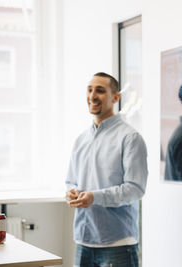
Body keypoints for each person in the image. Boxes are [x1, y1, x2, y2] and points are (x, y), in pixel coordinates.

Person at [65, 72, 148, 267]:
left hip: (117, 244)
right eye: (90, 90)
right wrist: (71, 192)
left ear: (116, 97)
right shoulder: (81, 139)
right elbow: (71, 180)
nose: (92, 96)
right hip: (83, 240)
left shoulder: (130, 138)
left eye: (100, 91)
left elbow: (135, 189)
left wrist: (94, 197)